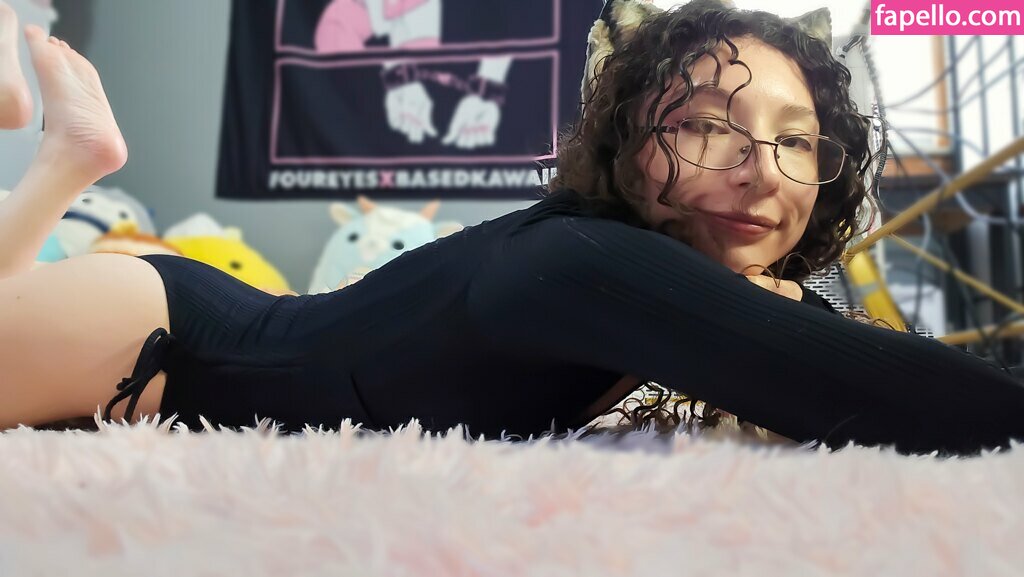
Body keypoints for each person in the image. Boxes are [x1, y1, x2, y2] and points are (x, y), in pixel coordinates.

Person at [1, 0, 1023, 457]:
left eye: (796, 140)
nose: (761, 167)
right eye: (709, 125)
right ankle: (59, 151)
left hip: (193, 320)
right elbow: (893, 391)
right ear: (627, 145)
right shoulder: (591, 261)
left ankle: (68, 160)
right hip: (161, 342)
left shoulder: (615, 265)